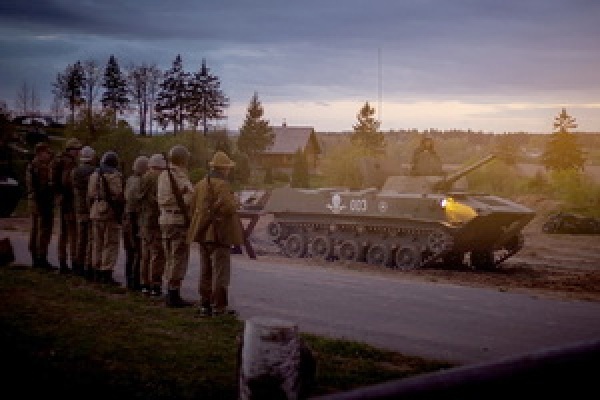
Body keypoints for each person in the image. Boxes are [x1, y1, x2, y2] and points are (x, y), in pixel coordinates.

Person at [187, 151, 244, 317]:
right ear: (224, 169)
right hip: (219, 234)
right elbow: (228, 208)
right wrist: (236, 202)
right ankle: (219, 307)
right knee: (221, 272)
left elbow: (192, 208)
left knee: (205, 270)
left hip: (203, 232)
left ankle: (205, 305)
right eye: (228, 168)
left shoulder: (200, 184)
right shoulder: (223, 185)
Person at [158, 145, 194, 308]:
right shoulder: (179, 177)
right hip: (178, 219)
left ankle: (169, 292)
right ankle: (173, 294)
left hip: (165, 218)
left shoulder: (163, 175)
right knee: (178, 257)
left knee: (169, 256)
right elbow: (189, 199)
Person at [88, 151, 124, 285]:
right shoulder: (114, 175)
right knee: (111, 243)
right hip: (109, 212)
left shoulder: (95, 174)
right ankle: (106, 272)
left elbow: (91, 193)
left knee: (97, 242)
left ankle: (96, 269)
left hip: (96, 209)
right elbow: (118, 193)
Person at [52, 137, 82, 274]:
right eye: (76, 149)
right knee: (72, 233)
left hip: (61, 200)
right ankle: (74, 262)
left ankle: (62, 261)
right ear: (71, 150)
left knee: (63, 233)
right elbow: (67, 182)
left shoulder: (59, 161)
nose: (78, 152)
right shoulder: (69, 163)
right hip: (69, 202)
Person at [138, 154, 167, 296]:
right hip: (154, 221)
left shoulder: (143, 177)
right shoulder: (158, 178)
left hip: (144, 221)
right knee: (157, 254)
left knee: (146, 255)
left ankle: (145, 284)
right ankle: (155, 284)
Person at [25, 142, 56, 270]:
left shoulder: (32, 165)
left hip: (34, 200)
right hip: (41, 201)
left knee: (35, 229)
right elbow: (43, 186)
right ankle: (41, 258)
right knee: (43, 230)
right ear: (40, 153)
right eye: (46, 152)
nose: (49, 155)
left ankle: (36, 258)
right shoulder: (41, 166)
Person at [123, 155, 148, 290]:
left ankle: (129, 280)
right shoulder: (141, 182)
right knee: (138, 251)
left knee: (130, 251)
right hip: (137, 218)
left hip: (127, 217)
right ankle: (135, 281)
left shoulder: (129, 180)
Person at [71, 145, 96, 278]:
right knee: (91, 238)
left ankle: (77, 264)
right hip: (90, 207)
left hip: (79, 207)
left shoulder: (75, 171)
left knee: (81, 238)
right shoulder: (93, 172)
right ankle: (88, 265)